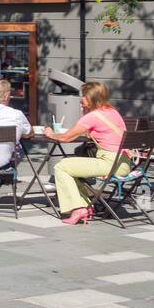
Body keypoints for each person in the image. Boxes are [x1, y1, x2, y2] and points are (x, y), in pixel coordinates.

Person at [47, 81, 128, 225]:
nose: (80, 99)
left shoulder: (93, 116)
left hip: (109, 163)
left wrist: (51, 134)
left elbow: (66, 138)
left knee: (61, 166)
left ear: (92, 98)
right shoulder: (113, 112)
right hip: (123, 163)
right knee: (72, 168)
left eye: (83, 96)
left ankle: (78, 208)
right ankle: (85, 206)